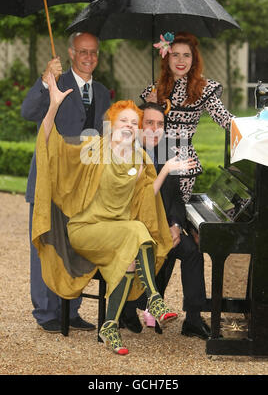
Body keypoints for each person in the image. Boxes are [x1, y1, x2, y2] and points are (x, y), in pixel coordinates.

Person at [31, 72, 196, 355]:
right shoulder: (93, 149)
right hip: (87, 230)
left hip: (117, 233)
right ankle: (154, 298)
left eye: (135, 122)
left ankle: (109, 327)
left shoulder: (140, 158)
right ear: (111, 125)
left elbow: (146, 197)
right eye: (124, 121)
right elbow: (52, 146)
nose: (130, 126)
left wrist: (167, 169)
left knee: (130, 259)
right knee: (135, 231)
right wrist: (54, 105)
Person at [21, 32, 111, 333]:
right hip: (51, 181)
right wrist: (46, 82)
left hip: (84, 185)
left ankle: (70, 310)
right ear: (71, 53)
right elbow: (28, 112)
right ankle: (47, 313)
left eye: (94, 52)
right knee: (47, 243)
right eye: (83, 51)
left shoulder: (102, 91)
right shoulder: (56, 82)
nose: (89, 57)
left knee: (77, 245)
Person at [120, 102, 210, 340]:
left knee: (191, 251)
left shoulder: (167, 151)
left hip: (162, 228)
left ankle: (192, 319)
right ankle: (127, 307)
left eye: (160, 124)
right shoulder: (124, 153)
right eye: (149, 123)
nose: (155, 129)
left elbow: (177, 198)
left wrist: (176, 225)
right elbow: (133, 201)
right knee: (150, 250)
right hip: (133, 229)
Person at [141, 31, 234, 203]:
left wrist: (253, 128)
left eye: (186, 55)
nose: (181, 61)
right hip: (152, 158)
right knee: (149, 210)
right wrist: (146, 106)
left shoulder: (203, 88)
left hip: (182, 161)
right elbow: (137, 125)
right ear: (167, 58)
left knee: (174, 218)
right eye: (175, 55)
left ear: (194, 59)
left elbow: (224, 118)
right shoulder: (156, 88)